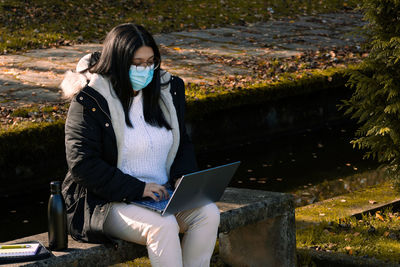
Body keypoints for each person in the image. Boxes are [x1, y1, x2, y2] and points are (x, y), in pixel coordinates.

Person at [60, 23, 220, 267]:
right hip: (106, 202)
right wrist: (138, 188)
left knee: (208, 213)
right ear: (117, 61)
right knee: (163, 226)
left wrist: (181, 179)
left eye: (151, 61)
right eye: (137, 63)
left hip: (162, 195)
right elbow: (83, 165)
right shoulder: (90, 100)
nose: (145, 69)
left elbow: (182, 144)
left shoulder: (168, 91)